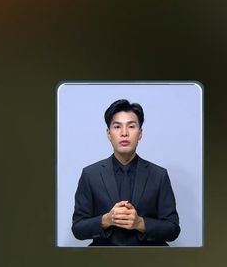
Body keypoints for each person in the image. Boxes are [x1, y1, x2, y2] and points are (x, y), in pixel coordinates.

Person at [71, 99, 180, 246]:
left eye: (131, 126)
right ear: (108, 133)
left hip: (149, 255)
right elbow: (78, 228)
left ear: (140, 133)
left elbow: (173, 229)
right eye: (117, 126)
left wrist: (139, 223)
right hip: (104, 255)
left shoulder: (159, 175)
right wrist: (106, 220)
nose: (124, 133)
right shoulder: (90, 174)